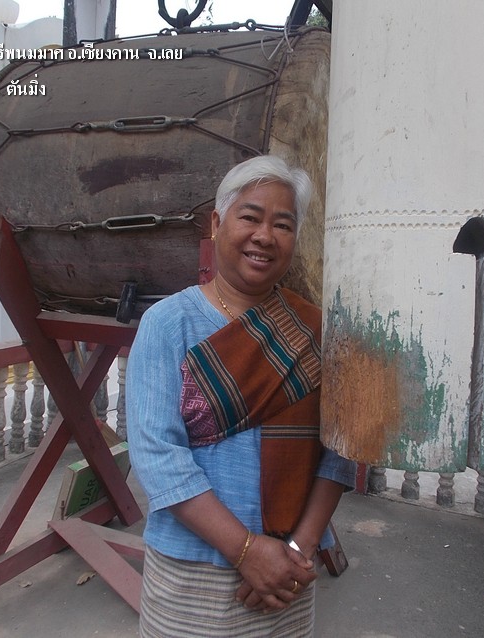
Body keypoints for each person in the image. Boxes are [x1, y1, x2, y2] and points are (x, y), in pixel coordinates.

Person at [126, 155, 356, 637]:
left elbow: (339, 452)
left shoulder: (316, 331)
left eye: (283, 225)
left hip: (288, 573)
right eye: (250, 217)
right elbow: (158, 456)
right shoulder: (168, 324)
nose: (265, 236)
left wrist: (299, 549)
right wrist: (246, 551)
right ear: (217, 223)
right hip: (191, 571)